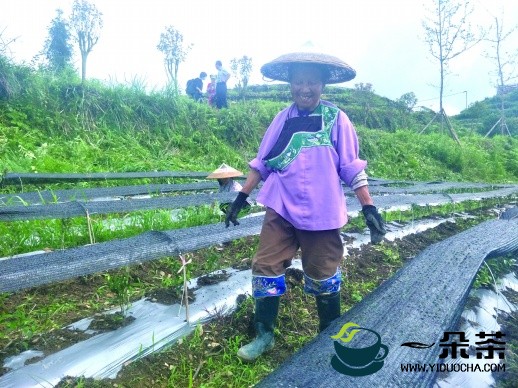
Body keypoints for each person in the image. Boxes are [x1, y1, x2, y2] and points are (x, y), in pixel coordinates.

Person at [223, 51, 387, 362]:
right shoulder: (282, 119)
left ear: (322, 85)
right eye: (299, 82)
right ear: (290, 85)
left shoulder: (336, 120)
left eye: (311, 82)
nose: (305, 89)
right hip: (281, 205)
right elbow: (263, 162)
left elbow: (351, 167)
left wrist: (369, 207)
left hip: (321, 212)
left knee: (323, 274)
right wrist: (241, 197)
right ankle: (264, 334)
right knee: (265, 265)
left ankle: (328, 336)